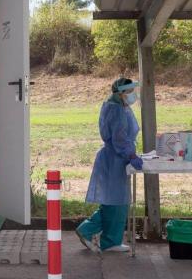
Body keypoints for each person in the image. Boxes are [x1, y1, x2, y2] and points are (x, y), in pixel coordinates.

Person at [75, 77, 143, 253]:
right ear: (120, 93)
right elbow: (119, 137)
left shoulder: (115, 106)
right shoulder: (117, 110)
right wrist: (131, 154)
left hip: (113, 158)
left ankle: (106, 239)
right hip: (115, 159)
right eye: (129, 92)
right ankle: (92, 232)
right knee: (116, 203)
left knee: (113, 202)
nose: (132, 95)